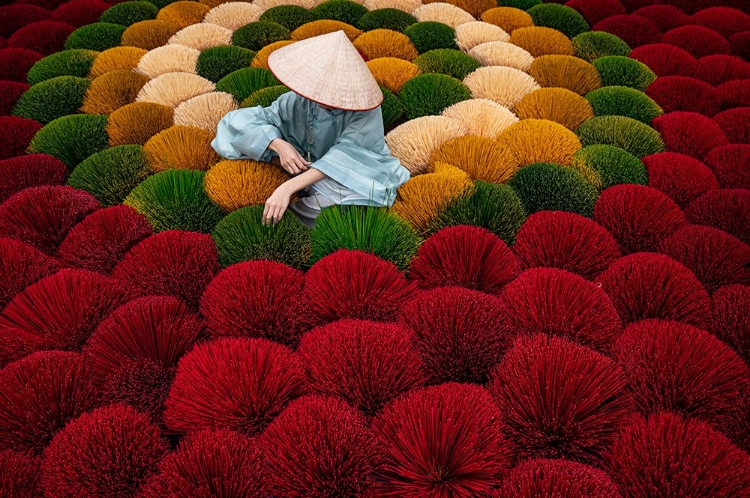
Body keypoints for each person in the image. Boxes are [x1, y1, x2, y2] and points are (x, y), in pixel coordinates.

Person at [210, 30, 410, 228]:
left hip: (356, 172)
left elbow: (345, 157)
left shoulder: (365, 110)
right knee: (245, 147)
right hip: (305, 168)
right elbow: (238, 121)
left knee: (351, 197)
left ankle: (289, 223)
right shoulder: (298, 101)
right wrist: (277, 144)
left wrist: (286, 188)